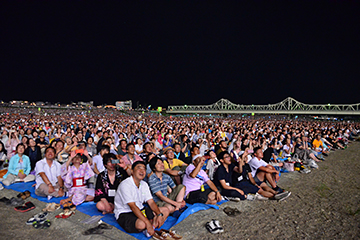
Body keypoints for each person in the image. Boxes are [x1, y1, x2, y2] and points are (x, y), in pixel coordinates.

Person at [114, 161, 169, 236]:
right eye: (139, 168)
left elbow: (151, 202)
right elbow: (132, 206)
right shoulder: (125, 184)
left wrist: (159, 214)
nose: (142, 171)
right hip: (125, 212)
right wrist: (147, 223)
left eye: (144, 169)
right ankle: (149, 225)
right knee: (141, 224)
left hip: (140, 209)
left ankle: (150, 228)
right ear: (132, 171)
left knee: (165, 210)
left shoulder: (144, 184)